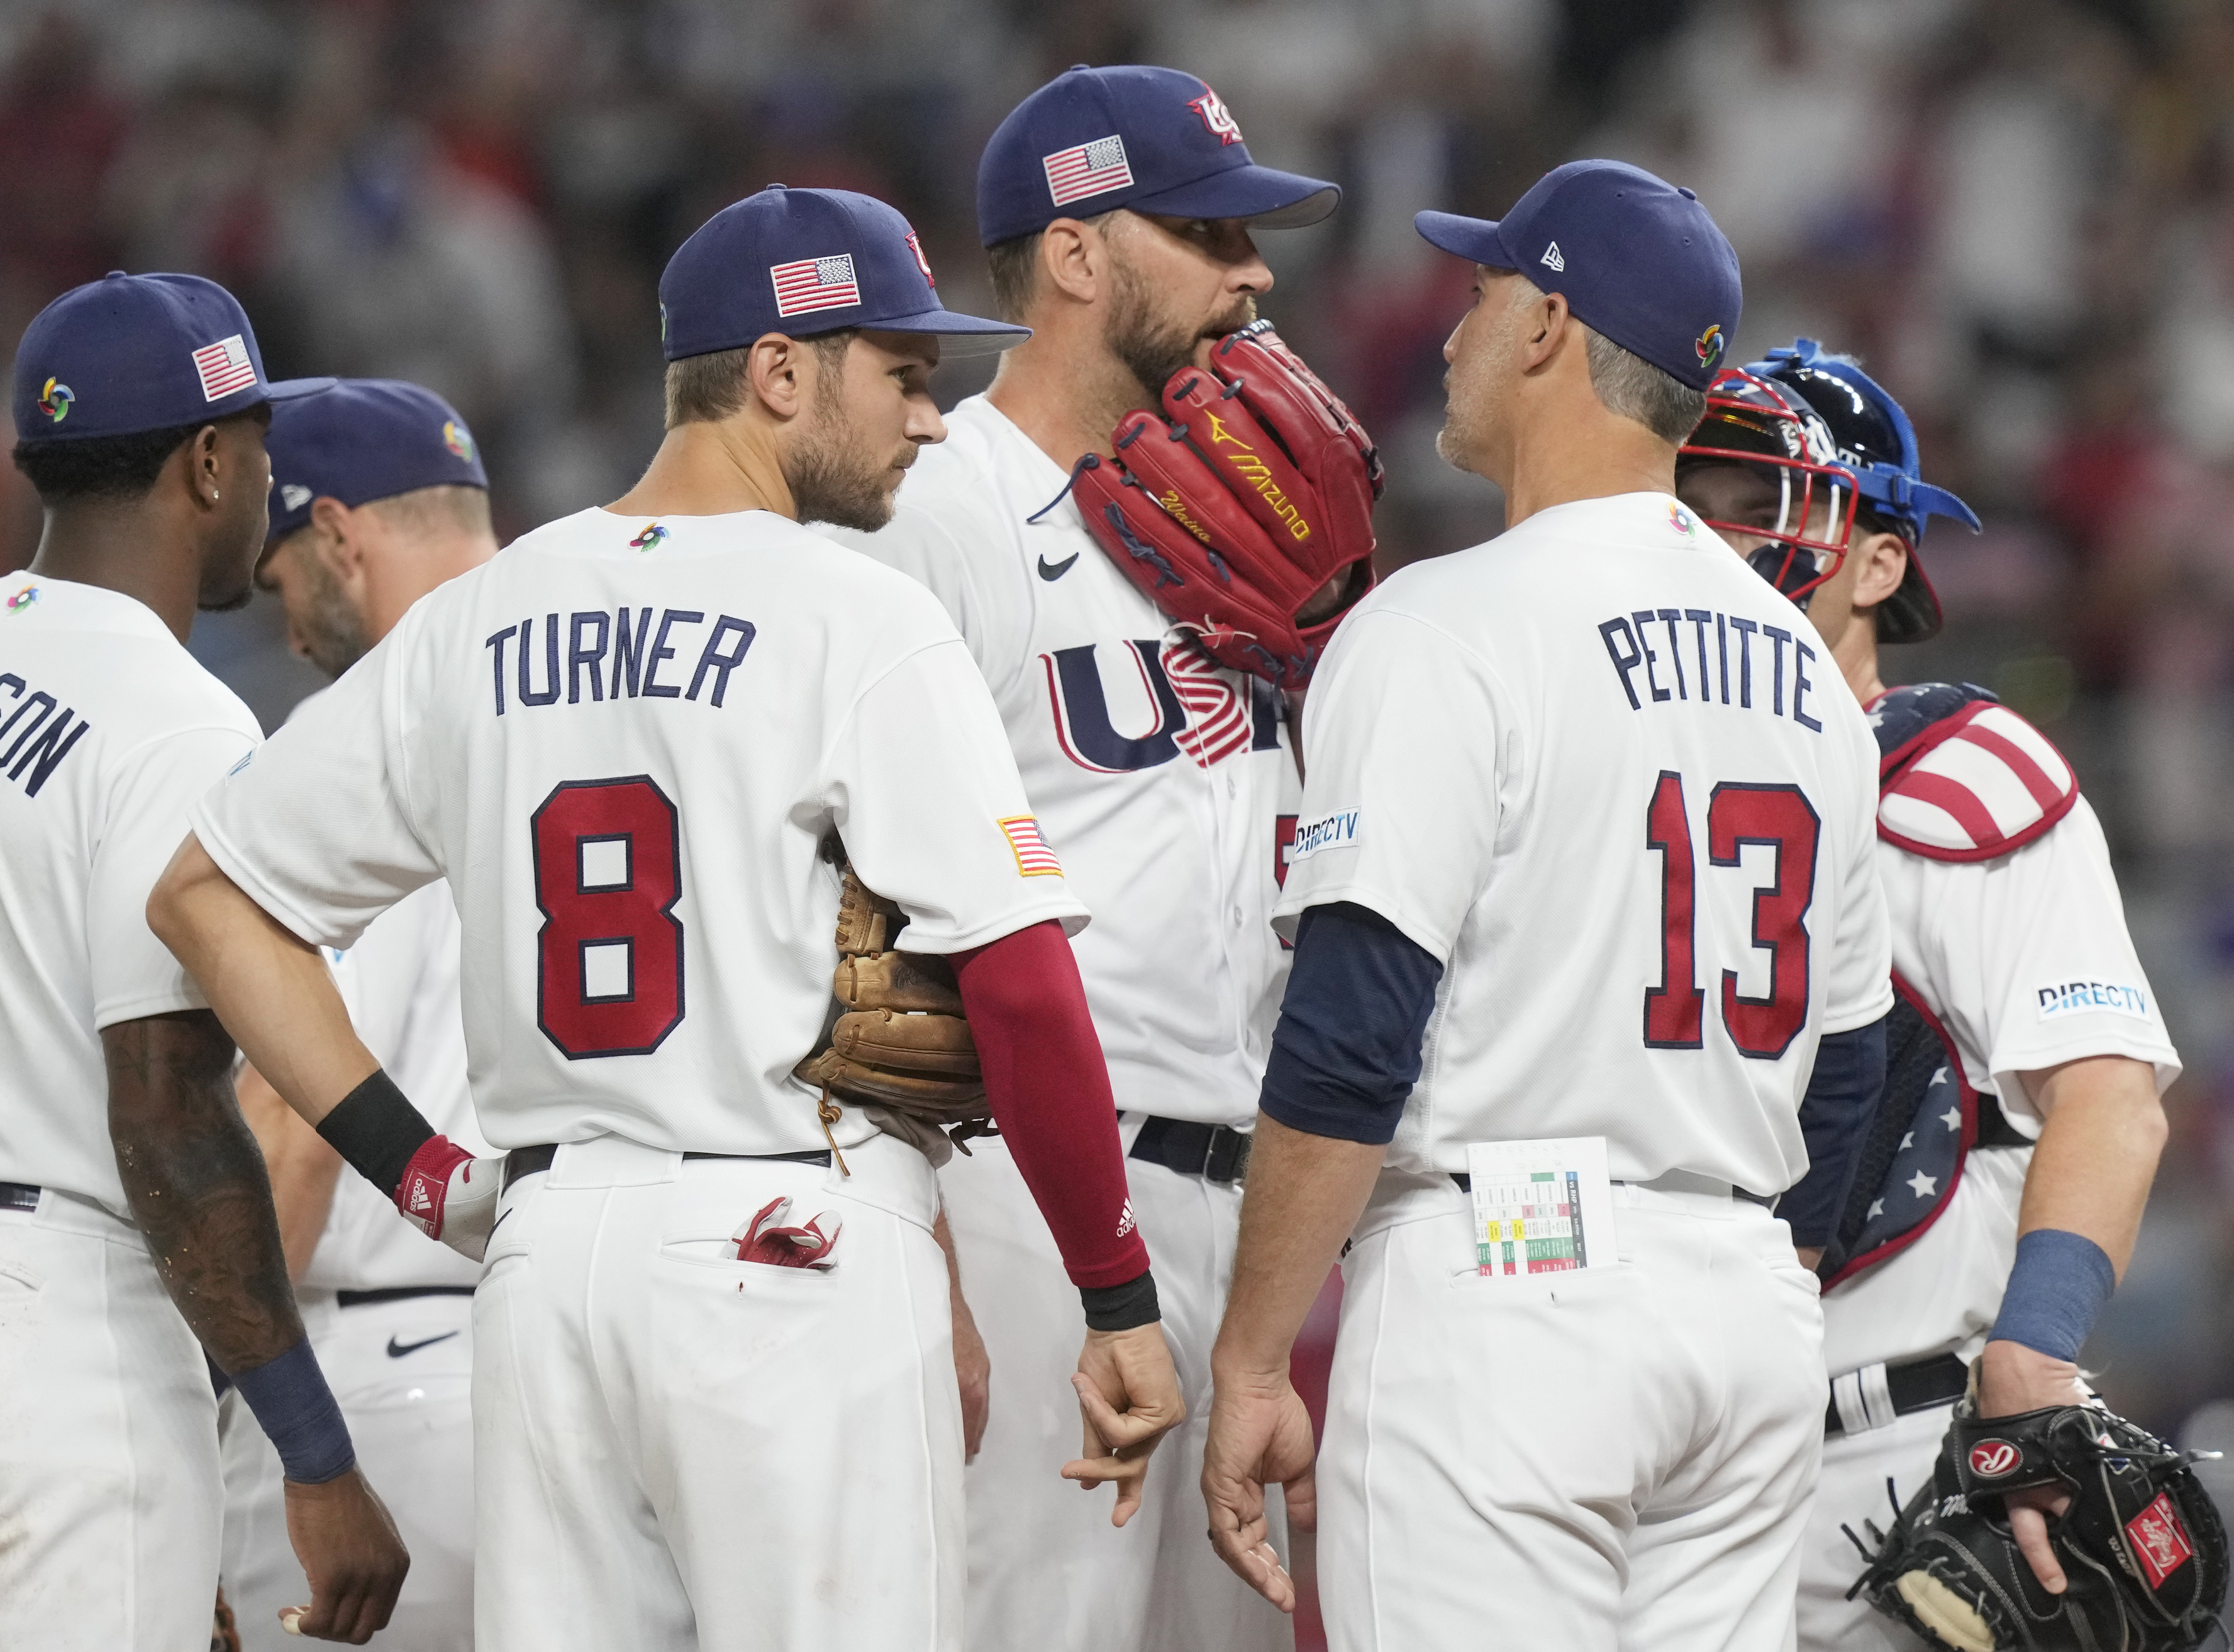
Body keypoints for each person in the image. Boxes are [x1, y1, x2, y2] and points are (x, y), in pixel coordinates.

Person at [147, 185, 1184, 1650]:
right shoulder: (855, 614)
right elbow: (1018, 985)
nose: (934, 420)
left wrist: (422, 1168)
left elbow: (208, 897)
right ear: (778, 372)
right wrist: (1117, 1293)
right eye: (901, 374)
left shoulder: (481, 620)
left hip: (548, 1261)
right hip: (790, 1241)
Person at [1198, 162, 1896, 1651]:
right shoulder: (1810, 682)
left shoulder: (1449, 623)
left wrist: (1255, 1363)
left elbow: (1350, 1037)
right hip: (1743, 1308)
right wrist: (1745, 1270)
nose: (1450, 333)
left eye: (1479, 295)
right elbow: (1849, 1074)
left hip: (1513, 1284)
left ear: (1547, 330)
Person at [821, 64, 1340, 1652]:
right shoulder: (939, 510)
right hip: (1031, 1193)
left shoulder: (1251, 520)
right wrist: (928, 1267)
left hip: (1233, 1205)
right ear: (1076, 256)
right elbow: (838, 915)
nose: (1254, 274)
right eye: (1204, 232)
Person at [1671, 341, 2179, 1651]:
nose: (1720, 533)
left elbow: (2111, 1098)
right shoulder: (1626, 773)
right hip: (1655, 1437)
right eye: (1696, 494)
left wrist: (2032, 1366)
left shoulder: (1960, 771)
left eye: (1755, 498)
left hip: (1883, 1459)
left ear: (1880, 560)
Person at [0, 272, 406, 1646]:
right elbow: (171, 1115)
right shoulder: (173, 721)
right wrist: (311, 1456)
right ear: (212, 460)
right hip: (65, 1333)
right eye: (260, 444)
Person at [216, 377, 498, 1650]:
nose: (290, 630)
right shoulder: (591, 695)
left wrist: (221, 1409)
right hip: (570, 1353)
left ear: (338, 534)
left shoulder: (363, 739)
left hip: (381, 1395)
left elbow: (294, 1121)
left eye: (282, 582)